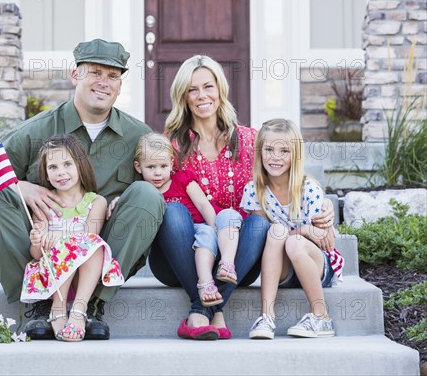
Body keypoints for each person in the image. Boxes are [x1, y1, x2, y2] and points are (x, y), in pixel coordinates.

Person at [0, 39, 165, 340]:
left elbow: (165, 185)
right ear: (75, 76)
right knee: (3, 194)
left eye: (112, 76)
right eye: (94, 72)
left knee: (148, 195)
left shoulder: (139, 135)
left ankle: (91, 306)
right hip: (45, 244)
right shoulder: (37, 130)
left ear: (120, 85)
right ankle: (37, 305)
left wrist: (128, 196)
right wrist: (20, 185)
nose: (103, 83)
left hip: (101, 246)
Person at [148, 55, 335, 341]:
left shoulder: (251, 140)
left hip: (235, 263)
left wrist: (325, 203)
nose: (201, 96)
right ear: (183, 96)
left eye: (208, 86)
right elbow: (147, 185)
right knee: (173, 212)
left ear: (220, 89)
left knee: (259, 224)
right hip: (181, 255)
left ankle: (201, 311)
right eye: (192, 89)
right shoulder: (171, 145)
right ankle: (211, 309)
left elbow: (289, 174)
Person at [244, 119, 344, 339]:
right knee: (276, 232)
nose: (275, 157)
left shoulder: (308, 188)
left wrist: (306, 232)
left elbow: (323, 238)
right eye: (269, 149)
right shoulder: (254, 191)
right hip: (282, 269)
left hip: (316, 265)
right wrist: (303, 229)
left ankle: (321, 316)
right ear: (260, 152)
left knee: (294, 241)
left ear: (295, 155)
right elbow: (261, 235)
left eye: (284, 151)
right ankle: (266, 316)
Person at [21, 134, 124, 342]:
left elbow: (89, 239)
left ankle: (78, 311)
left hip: (85, 280)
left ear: (80, 165)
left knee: (93, 246)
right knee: (64, 246)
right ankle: (57, 310)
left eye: (67, 164)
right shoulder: (45, 203)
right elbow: (36, 254)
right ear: (46, 173)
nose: (61, 172)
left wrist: (58, 235)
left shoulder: (96, 201)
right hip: (52, 279)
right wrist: (36, 241)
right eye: (53, 167)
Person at [134, 133, 242, 308]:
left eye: (163, 166)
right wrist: (118, 202)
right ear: (138, 167)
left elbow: (202, 204)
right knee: (198, 228)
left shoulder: (182, 179)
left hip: (207, 224)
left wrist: (215, 226)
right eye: (151, 167)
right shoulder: (145, 192)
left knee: (224, 219)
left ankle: (225, 266)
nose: (158, 173)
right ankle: (205, 283)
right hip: (183, 243)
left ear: (171, 163)